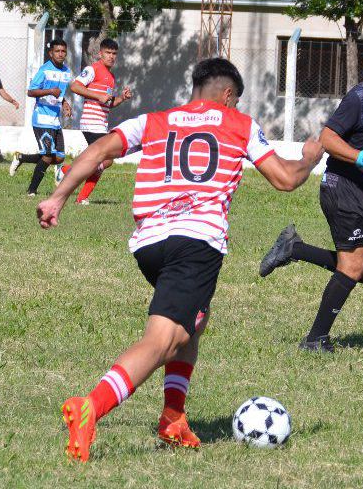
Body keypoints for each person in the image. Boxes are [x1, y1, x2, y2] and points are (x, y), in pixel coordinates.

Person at [37, 58, 323, 462]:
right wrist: (310, 157)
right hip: (196, 242)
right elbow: (286, 178)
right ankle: (91, 407)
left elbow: (100, 148)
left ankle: (173, 417)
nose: (236, 108)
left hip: (150, 244)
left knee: (194, 322)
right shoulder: (238, 125)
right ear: (227, 96)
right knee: (163, 339)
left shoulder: (153, 121)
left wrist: (58, 196)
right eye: (236, 101)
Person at [258, 36, 363, 353]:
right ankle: (315, 339)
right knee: (352, 267)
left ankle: (294, 249)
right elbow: (328, 137)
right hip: (342, 189)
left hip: (362, 193)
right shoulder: (360, 98)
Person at [60, 37, 133, 205]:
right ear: (100, 53)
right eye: (108, 53)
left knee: (101, 160)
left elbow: (109, 102)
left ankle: (80, 194)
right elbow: (75, 86)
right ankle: (67, 171)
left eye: (114, 54)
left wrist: (122, 98)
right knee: (106, 159)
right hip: (91, 122)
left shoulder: (111, 76)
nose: (111, 56)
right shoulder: (93, 69)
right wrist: (98, 95)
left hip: (101, 123)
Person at [9, 39, 74, 195]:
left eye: (63, 51)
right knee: (47, 156)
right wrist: (50, 91)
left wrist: (65, 103)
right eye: (57, 51)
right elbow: (31, 91)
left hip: (55, 120)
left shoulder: (66, 72)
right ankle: (32, 190)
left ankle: (22, 158)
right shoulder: (44, 70)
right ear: (50, 53)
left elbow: (60, 93)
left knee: (58, 158)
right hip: (41, 118)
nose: (60, 54)